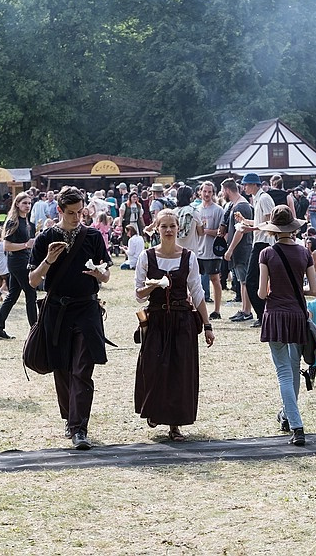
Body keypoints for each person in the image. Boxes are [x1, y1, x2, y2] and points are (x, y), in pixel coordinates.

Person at [29, 186, 112, 450]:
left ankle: (79, 428)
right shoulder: (46, 238)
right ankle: (69, 418)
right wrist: (49, 261)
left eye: (81, 211)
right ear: (60, 211)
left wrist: (99, 273)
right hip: (57, 311)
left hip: (87, 309)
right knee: (62, 369)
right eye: (72, 213)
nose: (78, 217)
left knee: (82, 369)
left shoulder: (93, 237)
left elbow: (107, 273)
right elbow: (32, 280)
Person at [134, 209, 215, 441]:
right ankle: (153, 410)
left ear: (178, 228)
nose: (168, 230)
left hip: (181, 320)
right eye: (164, 226)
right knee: (153, 367)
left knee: (180, 372)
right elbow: (139, 295)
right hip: (156, 320)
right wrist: (153, 285)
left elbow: (197, 292)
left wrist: (207, 325)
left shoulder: (188, 256)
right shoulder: (146, 257)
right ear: (157, 229)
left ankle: (175, 424)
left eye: (172, 226)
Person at [256, 205, 315, 446]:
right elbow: (312, 289)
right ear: (292, 226)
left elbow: (261, 293)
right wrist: (295, 290)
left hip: (276, 314)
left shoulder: (267, 253)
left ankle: (296, 424)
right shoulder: (304, 253)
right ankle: (288, 415)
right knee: (293, 370)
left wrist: (276, 290)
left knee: (283, 373)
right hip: (298, 315)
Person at [0, 191, 36, 340]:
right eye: (24, 203)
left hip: (23, 260)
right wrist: (26, 245)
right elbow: (7, 246)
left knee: (13, 295)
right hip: (18, 262)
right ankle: (35, 329)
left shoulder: (27, 222)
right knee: (31, 292)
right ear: (17, 204)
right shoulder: (13, 222)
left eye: (29, 203)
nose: (27, 206)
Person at [237, 173, 275, 328]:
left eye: (246, 185)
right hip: (259, 241)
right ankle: (263, 314)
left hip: (263, 243)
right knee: (255, 280)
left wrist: (250, 228)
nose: (244, 187)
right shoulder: (258, 199)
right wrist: (245, 222)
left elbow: (269, 222)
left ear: (253, 185)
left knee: (252, 280)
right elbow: (261, 222)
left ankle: (262, 313)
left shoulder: (264, 198)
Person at [221, 178, 254, 321]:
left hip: (242, 249)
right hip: (241, 250)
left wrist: (230, 249)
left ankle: (247, 311)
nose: (222, 193)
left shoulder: (240, 207)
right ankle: (244, 309)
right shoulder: (238, 205)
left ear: (227, 190)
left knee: (245, 281)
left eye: (223, 190)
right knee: (242, 281)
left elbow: (240, 231)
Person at [195, 181, 225, 319]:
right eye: (204, 191)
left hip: (212, 250)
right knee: (195, 280)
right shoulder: (196, 209)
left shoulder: (218, 210)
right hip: (197, 250)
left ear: (213, 193)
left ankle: (217, 310)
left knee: (215, 279)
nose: (206, 194)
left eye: (209, 192)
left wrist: (206, 231)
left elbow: (221, 231)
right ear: (200, 192)